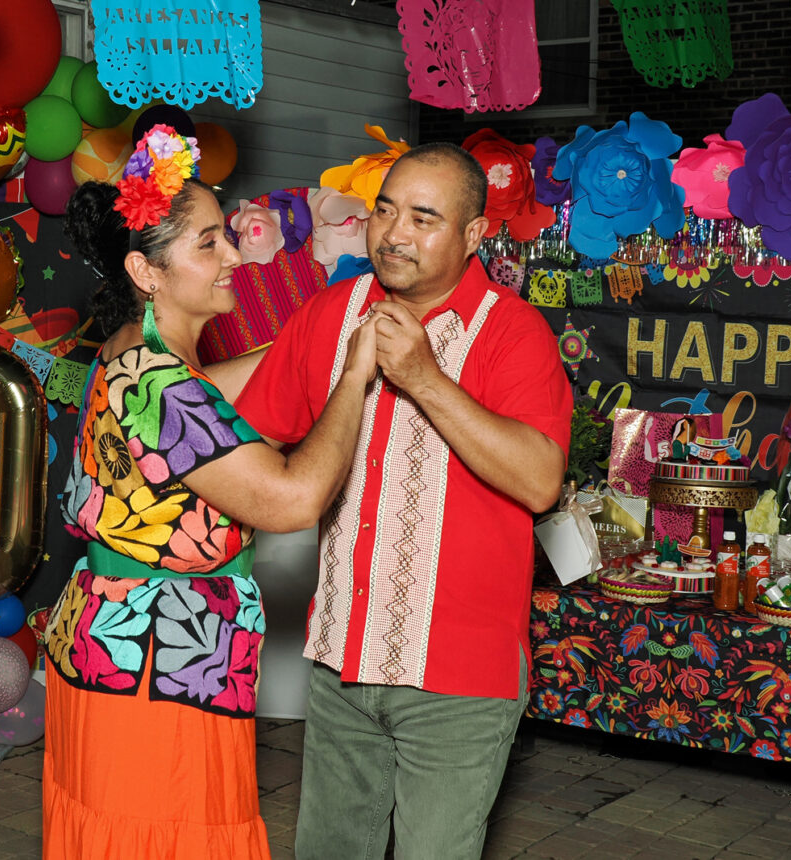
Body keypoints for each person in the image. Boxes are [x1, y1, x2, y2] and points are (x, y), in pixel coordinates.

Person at [41, 126, 379, 860]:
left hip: (116, 647)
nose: (233, 255)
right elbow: (291, 501)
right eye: (207, 243)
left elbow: (217, 394)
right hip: (157, 666)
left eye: (226, 235)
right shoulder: (164, 387)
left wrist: (317, 336)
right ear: (146, 270)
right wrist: (354, 376)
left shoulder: (132, 353)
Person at [234, 142, 573, 859]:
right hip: (340, 662)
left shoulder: (513, 332)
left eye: (424, 218)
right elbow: (250, 440)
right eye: (386, 211)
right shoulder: (333, 314)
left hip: (459, 680)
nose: (394, 234)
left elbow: (541, 480)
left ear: (473, 234)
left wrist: (423, 377)